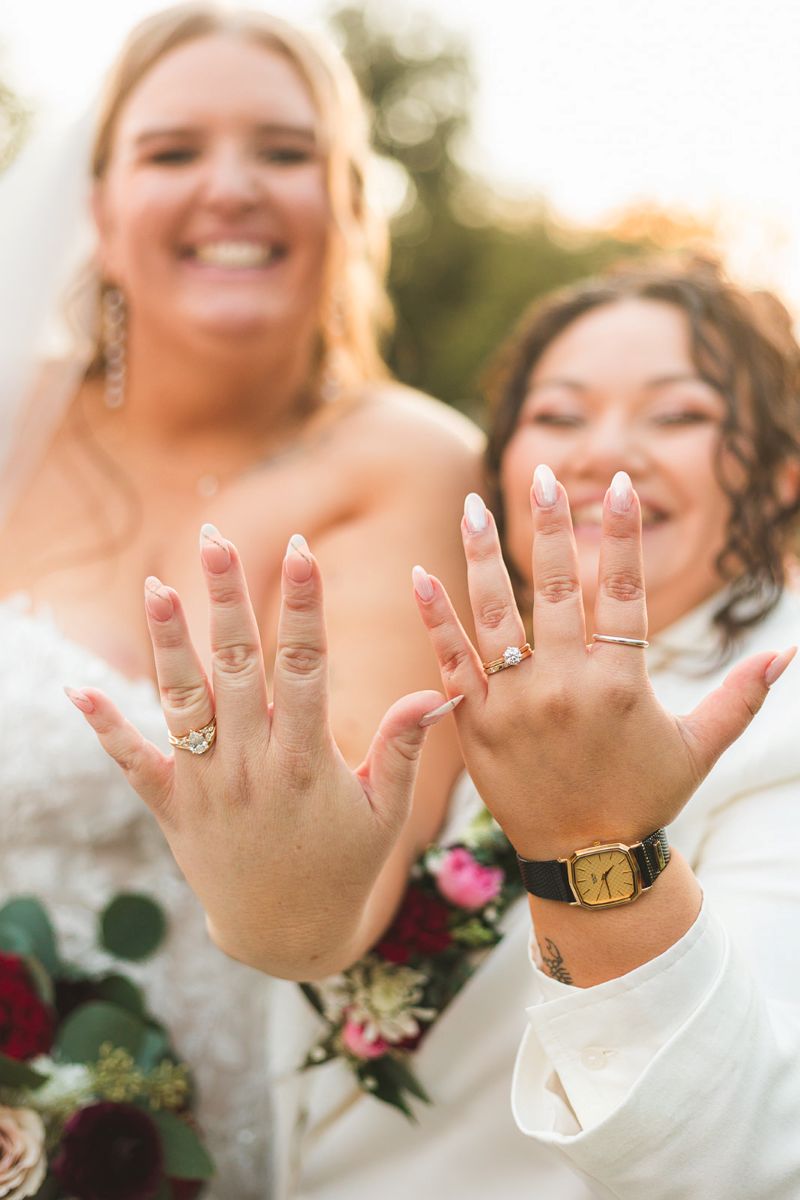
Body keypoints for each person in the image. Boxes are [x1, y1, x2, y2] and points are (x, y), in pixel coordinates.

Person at [76, 256, 800, 1197]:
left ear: (784, 476)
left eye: (680, 415)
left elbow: (746, 1153)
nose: (602, 452)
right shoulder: (452, 666)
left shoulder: (775, 709)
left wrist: (597, 852)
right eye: (559, 415)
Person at [0, 5, 479, 1195]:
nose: (231, 188)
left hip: (172, 1138)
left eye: (282, 150)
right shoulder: (13, 413)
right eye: (172, 153)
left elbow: (345, 899)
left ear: (346, 200)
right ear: (98, 212)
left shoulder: (405, 460)